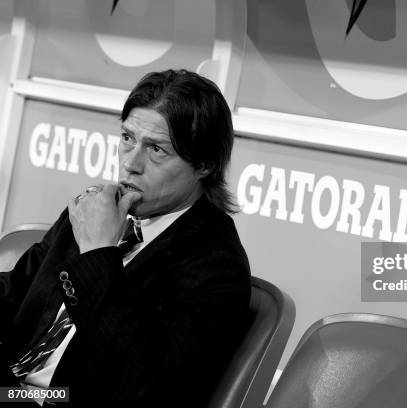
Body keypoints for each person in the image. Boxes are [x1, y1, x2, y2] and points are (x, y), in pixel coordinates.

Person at [0, 69, 251, 406]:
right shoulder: (97, 207)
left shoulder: (214, 263)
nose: (130, 163)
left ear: (204, 164)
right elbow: (14, 293)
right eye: (128, 138)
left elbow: (143, 383)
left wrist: (98, 253)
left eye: (157, 150)